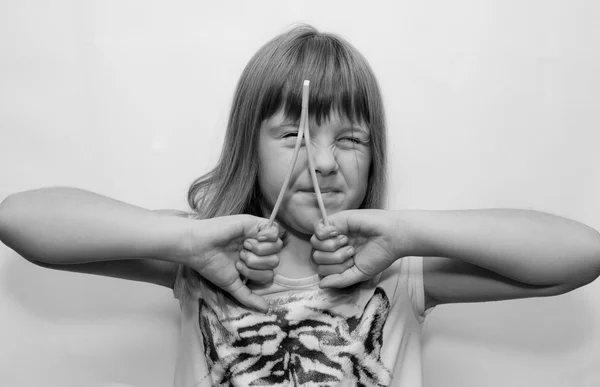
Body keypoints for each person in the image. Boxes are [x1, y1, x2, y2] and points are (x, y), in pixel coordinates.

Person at [1, 24, 599, 387]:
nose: (324, 163)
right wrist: (186, 242)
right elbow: (20, 218)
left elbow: (581, 254)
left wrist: (405, 232)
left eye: (350, 140)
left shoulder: (400, 271)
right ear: (249, 148)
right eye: (294, 137)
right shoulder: (202, 256)